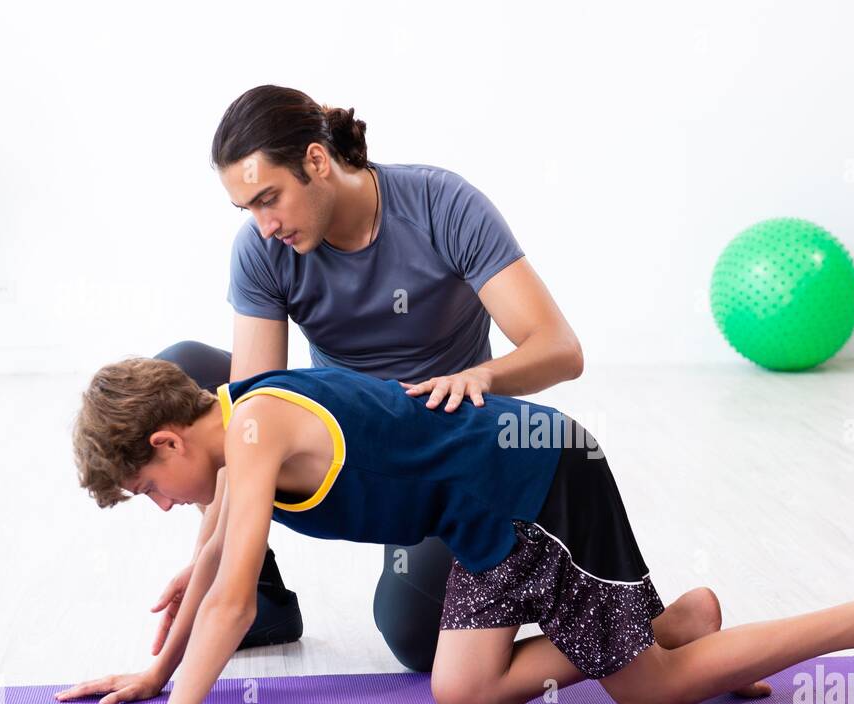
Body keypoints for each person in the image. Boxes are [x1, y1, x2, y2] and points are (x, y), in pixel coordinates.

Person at [48, 358, 854, 704]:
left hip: (538, 481)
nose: (161, 503)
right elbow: (210, 560)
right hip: (480, 515)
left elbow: (233, 605)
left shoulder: (251, 430)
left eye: (147, 487)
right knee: (464, 694)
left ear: (168, 440)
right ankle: (671, 620)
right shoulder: (235, 413)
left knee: (650, 692)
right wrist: (155, 673)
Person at [156, 85, 583, 667]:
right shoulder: (263, 249)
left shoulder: (441, 205)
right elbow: (244, 420)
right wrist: (215, 566)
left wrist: (481, 376)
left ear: (316, 160)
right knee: (177, 375)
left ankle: (605, 624)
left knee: (415, 637)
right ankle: (261, 596)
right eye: (248, 209)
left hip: (430, 453)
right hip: (337, 435)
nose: (264, 225)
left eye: (269, 199)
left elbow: (559, 348)